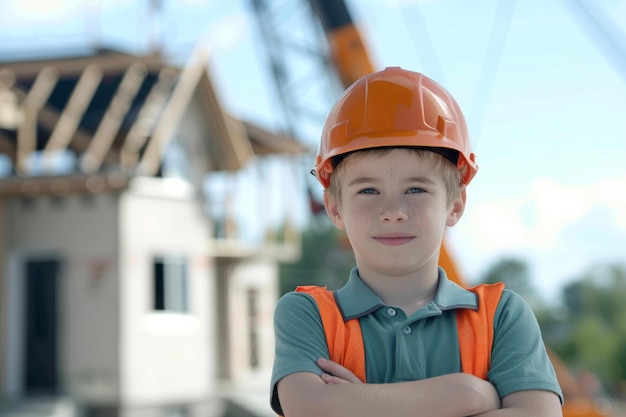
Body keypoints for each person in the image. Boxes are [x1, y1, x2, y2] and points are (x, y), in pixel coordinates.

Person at [270, 67, 563, 417]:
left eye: (416, 189)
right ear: (335, 207)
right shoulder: (308, 316)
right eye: (368, 190)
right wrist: (468, 394)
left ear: (454, 205)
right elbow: (310, 407)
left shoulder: (501, 317)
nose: (393, 211)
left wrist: (360, 404)